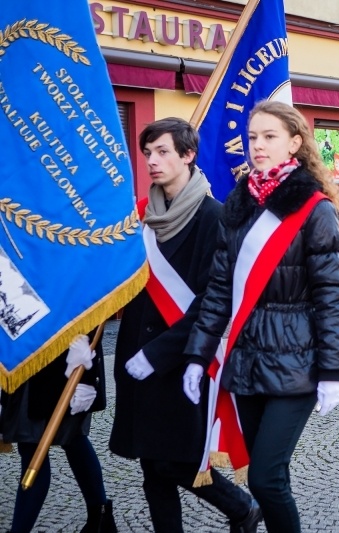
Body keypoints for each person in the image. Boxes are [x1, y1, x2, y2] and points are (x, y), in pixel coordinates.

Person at [184, 101, 339, 533]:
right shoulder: (237, 204)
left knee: (264, 477)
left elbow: (331, 297)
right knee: (269, 477)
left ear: (294, 143)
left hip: (297, 361)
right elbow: (220, 288)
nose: (257, 145)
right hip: (246, 359)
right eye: (253, 137)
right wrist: (198, 354)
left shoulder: (315, 210)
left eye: (269, 136)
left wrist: (333, 370)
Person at [109, 118, 260, 533]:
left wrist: (158, 353)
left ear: (188, 155)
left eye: (161, 152)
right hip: (135, 352)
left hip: (184, 359)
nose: (152, 162)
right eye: (147, 154)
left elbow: (215, 300)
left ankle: (241, 507)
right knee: (150, 466)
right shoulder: (143, 216)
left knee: (173, 460)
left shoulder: (215, 217)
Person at [0, 331, 117, 533]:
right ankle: (101, 518)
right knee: (72, 441)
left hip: (68, 361)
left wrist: (87, 376)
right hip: (30, 356)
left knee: (35, 447)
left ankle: (19, 530)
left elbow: (91, 308)